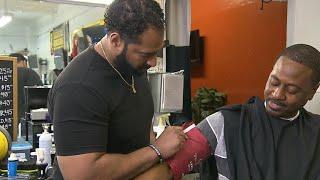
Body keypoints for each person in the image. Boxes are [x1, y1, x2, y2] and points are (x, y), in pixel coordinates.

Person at [48, 0, 187, 179]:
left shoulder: (132, 67)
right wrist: (157, 150)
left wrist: (162, 154)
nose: (153, 62)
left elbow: (142, 130)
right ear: (115, 40)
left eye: (156, 53)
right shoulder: (78, 87)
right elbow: (82, 175)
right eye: (146, 54)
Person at [137, 44, 320, 180]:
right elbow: (166, 171)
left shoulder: (316, 132)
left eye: (292, 90)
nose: (277, 94)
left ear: (312, 91)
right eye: (274, 82)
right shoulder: (225, 122)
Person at [9, 53, 43, 122]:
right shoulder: (31, 73)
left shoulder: (6, 76)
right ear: (24, 62)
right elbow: (42, 96)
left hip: (8, 118)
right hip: (29, 118)